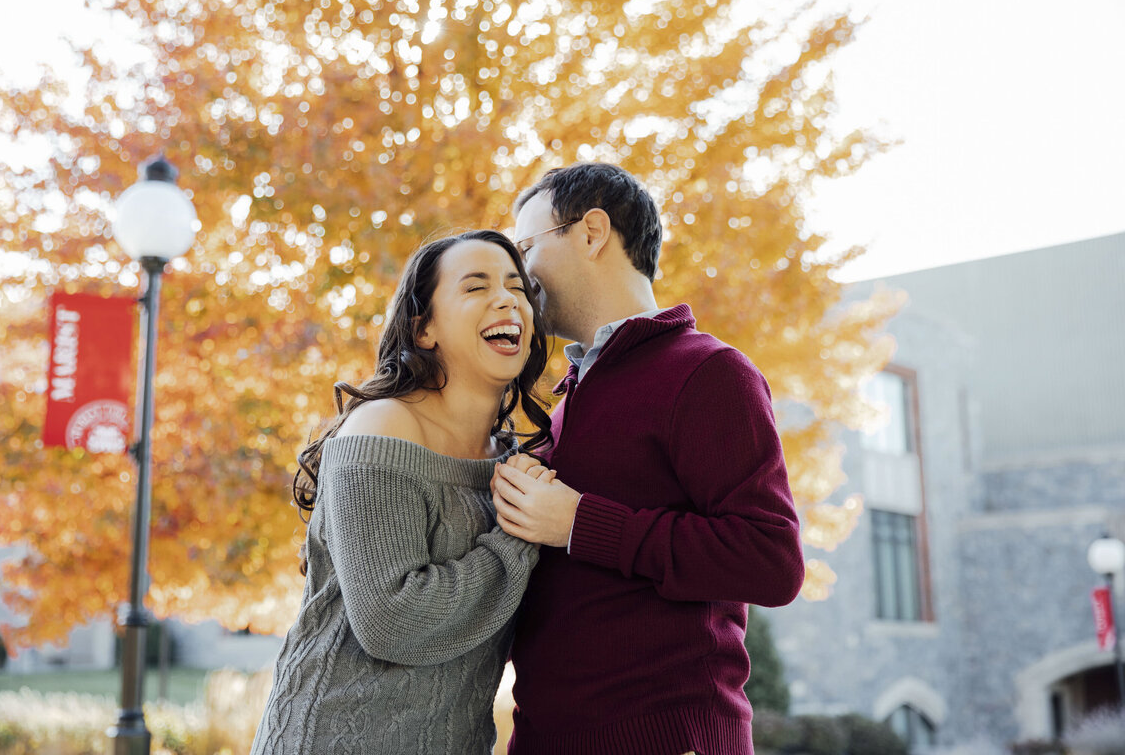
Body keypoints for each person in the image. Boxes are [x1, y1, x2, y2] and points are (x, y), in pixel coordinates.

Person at [490, 163, 806, 755]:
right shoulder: (567, 401)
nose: (520, 276)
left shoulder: (709, 372)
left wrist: (582, 523)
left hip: (667, 737)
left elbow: (773, 560)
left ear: (591, 232)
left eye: (527, 247)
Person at [250, 230, 557, 755]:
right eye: (476, 287)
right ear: (426, 328)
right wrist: (520, 536)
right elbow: (390, 621)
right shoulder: (383, 427)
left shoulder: (513, 467)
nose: (507, 299)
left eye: (517, 286)